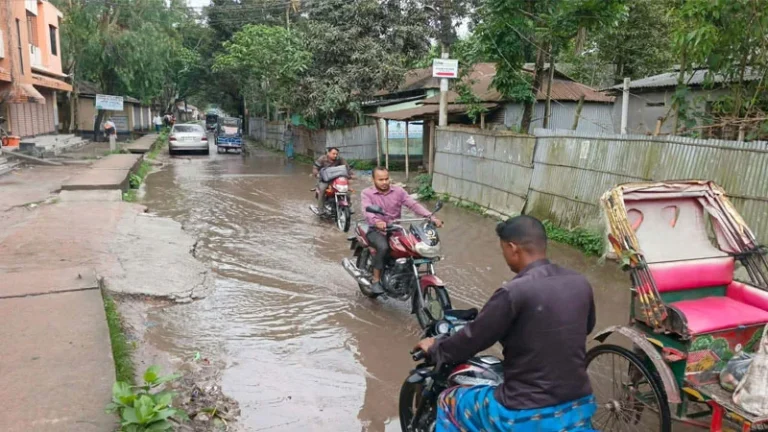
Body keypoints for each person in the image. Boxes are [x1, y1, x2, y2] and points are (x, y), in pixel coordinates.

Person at [414, 215, 597, 432]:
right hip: (580, 401)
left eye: (503, 251)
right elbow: (586, 327)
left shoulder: (513, 292)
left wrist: (436, 348)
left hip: (524, 409)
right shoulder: (580, 283)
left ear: (512, 248)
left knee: (448, 400)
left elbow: (473, 338)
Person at [360, 167, 443, 295]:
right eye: (380, 179)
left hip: (395, 228)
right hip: (376, 230)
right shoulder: (367, 193)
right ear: (373, 180)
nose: (384, 182)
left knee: (413, 247)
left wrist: (431, 217)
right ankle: (376, 280)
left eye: (386, 178)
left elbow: (413, 205)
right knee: (383, 247)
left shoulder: (398, 191)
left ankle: (406, 275)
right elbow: (367, 211)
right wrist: (377, 222)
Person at [312, 147, 352, 215]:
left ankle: (348, 206)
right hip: (324, 179)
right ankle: (320, 209)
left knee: (346, 190)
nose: (335, 155)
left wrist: (350, 175)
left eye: (336, 154)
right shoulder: (322, 159)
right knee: (322, 189)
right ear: (328, 153)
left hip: (336, 179)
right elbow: (315, 168)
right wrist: (317, 174)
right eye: (333, 154)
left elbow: (347, 168)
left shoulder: (340, 159)